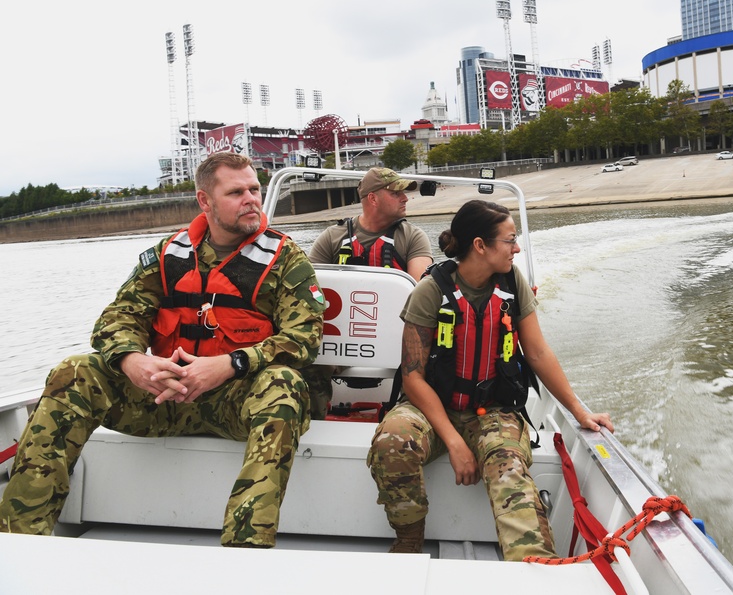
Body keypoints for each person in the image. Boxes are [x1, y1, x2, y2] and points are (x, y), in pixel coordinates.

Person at [0, 152, 324, 548]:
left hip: (236, 400)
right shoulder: (170, 254)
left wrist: (229, 364)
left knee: (284, 386)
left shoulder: (285, 258)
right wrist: (133, 361)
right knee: (75, 371)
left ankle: (245, 552)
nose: (252, 199)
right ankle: (18, 542)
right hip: (163, 398)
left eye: (254, 189)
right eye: (236, 191)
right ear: (205, 201)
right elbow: (117, 318)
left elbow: (305, 337)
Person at [367, 199, 614, 560]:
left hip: (494, 410)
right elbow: (413, 378)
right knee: (392, 442)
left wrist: (578, 410)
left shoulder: (513, 284)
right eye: (510, 240)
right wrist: (454, 442)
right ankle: (408, 537)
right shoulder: (431, 292)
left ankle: (534, 567)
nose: (517, 248)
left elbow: (538, 353)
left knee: (509, 468)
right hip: (432, 409)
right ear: (480, 246)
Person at [305, 167, 432, 419]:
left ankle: (410, 418)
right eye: (397, 193)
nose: (406, 198)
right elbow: (308, 289)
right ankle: (313, 422)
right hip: (341, 342)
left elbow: (421, 292)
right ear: (373, 198)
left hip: (397, 339)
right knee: (307, 359)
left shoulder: (413, 237)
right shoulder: (332, 238)